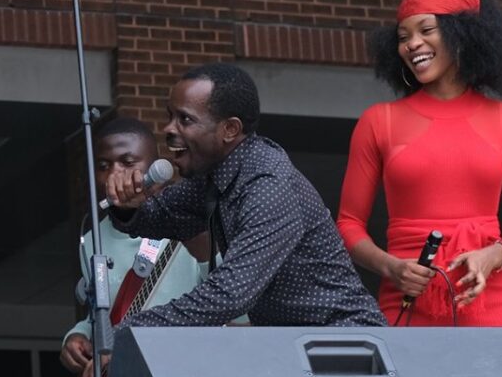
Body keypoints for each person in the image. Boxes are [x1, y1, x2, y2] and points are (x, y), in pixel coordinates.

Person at [102, 63, 384, 329]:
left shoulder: (268, 186)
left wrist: (132, 329)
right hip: (298, 345)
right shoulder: (217, 175)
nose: (168, 129)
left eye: (185, 119)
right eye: (170, 117)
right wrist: (129, 206)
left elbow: (229, 293)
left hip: (346, 343)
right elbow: (163, 218)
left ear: (230, 129)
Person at [337, 0, 502, 327]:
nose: (413, 44)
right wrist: (391, 267)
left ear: (463, 34)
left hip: (492, 297)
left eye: (425, 30)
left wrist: (492, 256)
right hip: (407, 297)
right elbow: (348, 224)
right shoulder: (378, 121)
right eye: (403, 37)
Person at [59, 116, 208, 377]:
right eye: (104, 165)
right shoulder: (92, 239)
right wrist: (78, 336)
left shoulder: (190, 226)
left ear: (156, 169)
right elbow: (101, 314)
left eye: (128, 162)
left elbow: (233, 305)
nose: (115, 174)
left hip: (187, 373)